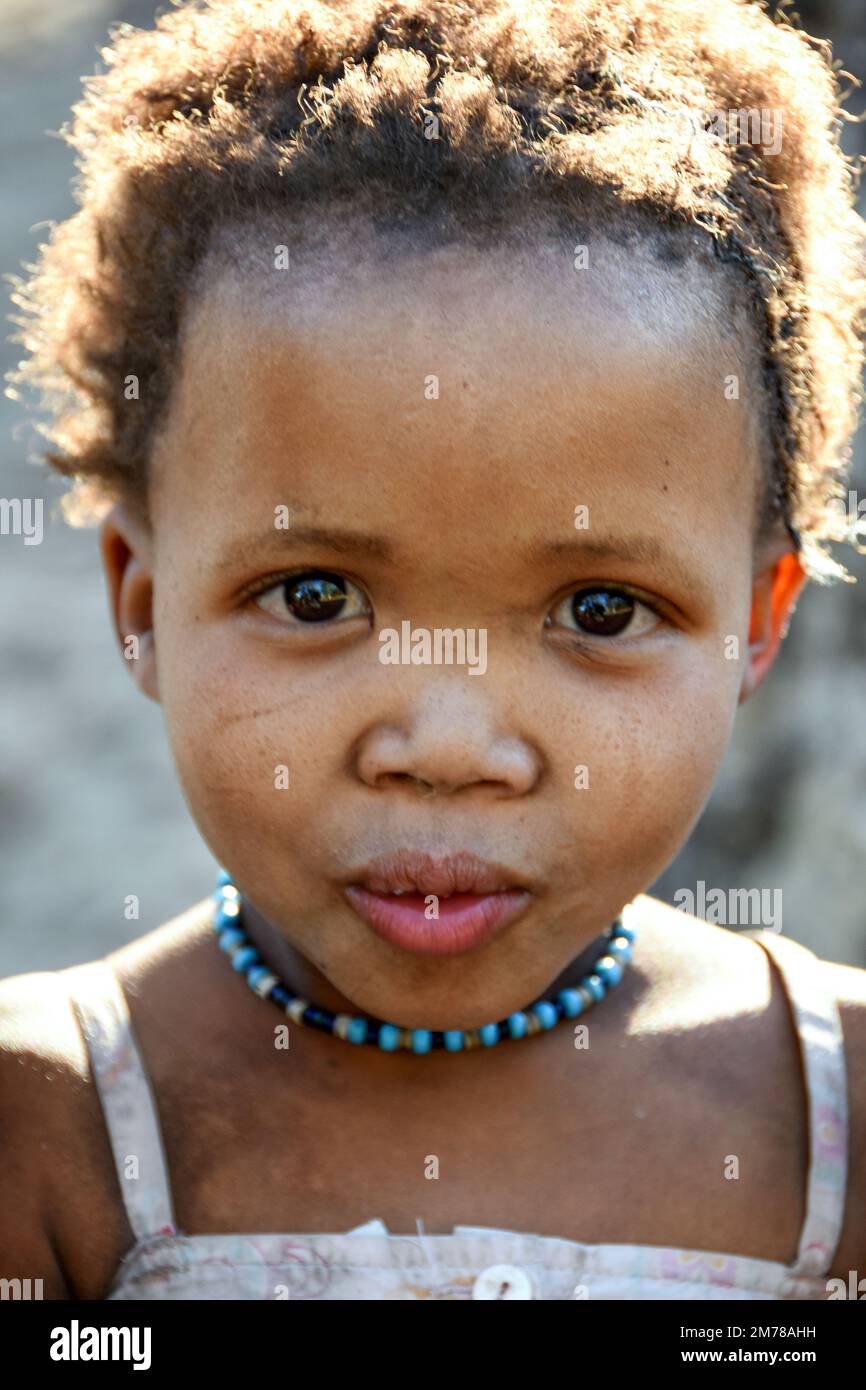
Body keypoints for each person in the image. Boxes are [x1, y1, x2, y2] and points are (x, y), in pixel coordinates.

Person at [2, 0, 865, 1300]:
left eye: (598, 611)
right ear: (140, 599)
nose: (450, 748)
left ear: (755, 622)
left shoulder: (833, 1124)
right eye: (312, 594)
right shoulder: (55, 1121)